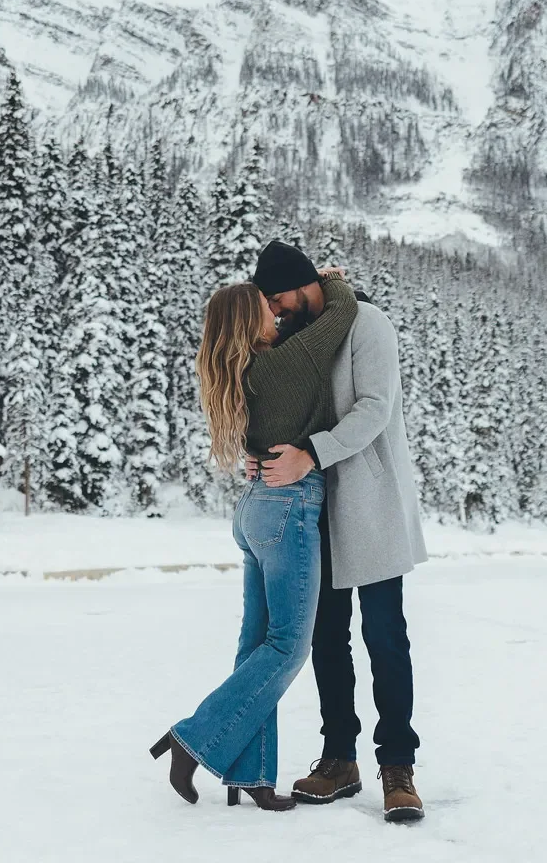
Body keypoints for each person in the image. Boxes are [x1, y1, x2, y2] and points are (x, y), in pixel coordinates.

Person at [150, 266, 358, 811]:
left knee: (256, 647)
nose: (276, 311)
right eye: (266, 307)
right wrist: (326, 279)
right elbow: (340, 316)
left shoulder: (243, 370)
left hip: (256, 510)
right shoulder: (285, 364)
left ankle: (253, 776)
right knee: (288, 647)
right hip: (287, 507)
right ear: (250, 320)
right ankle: (192, 737)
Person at [249, 240, 428, 823]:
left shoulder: (368, 323)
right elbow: (280, 408)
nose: (277, 311)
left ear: (303, 284)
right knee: (327, 639)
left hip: (370, 503)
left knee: (385, 637)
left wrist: (312, 454)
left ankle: (397, 766)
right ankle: (338, 760)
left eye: (279, 298)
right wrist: (262, 458)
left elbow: (375, 407)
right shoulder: (298, 334)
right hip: (314, 507)